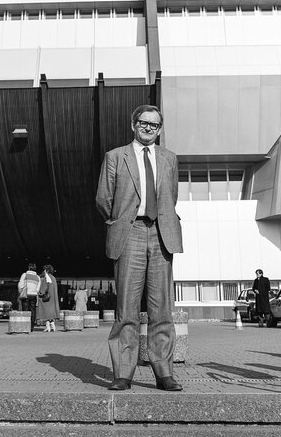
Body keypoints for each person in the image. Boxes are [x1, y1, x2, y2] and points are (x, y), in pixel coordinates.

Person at [96, 104, 183, 391]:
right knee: (127, 311)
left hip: (161, 234)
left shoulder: (169, 158)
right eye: (144, 123)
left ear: (160, 129)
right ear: (133, 124)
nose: (148, 128)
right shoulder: (115, 156)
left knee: (162, 311)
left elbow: (172, 196)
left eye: (154, 125)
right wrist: (122, 221)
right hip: (129, 232)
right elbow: (103, 199)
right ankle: (123, 373)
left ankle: (164, 373)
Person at [36, 264, 60, 332]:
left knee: (46, 312)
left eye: (44, 269)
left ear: (46, 270)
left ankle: (47, 327)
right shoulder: (53, 278)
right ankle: (52, 326)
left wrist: (40, 293)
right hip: (53, 298)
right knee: (51, 313)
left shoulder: (46, 277)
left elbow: (43, 288)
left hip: (47, 299)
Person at [18, 263, 41, 332]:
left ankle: (25, 326)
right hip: (34, 295)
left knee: (25, 311)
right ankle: (31, 327)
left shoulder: (24, 275)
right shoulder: (38, 277)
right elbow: (38, 289)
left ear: (29, 268)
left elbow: (20, 285)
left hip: (26, 295)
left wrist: (20, 292)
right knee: (33, 311)